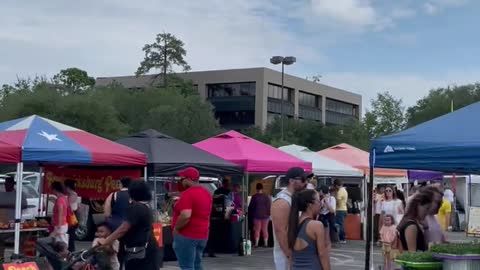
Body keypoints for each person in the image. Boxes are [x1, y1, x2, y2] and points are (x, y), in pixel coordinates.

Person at [97, 180, 160, 270]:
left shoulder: (136, 207)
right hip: (148, 249)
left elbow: (123, 229)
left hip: (138, 252)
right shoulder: (146, 207)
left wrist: (106, 241)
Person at [172, 167, 213, 270]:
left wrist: (176, 228)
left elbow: (186, 215)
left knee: (187, 266)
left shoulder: (188, 194)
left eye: (182, 179)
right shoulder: (206, 193)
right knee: (197, 264)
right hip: (202, 234)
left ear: (188, 179)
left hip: (187, 235)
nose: (181, 181)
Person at [271, 167, 309, 270]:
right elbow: (280, 230)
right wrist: (288, 253)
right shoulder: (282, 201)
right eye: (303, 179)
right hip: (285, 253)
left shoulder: (294, 198)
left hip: (294, 249)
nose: (306, 182)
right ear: (291, 181)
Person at [288, 189, 331, 270]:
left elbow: (290, 257)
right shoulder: (316, 225)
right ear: (310, 204)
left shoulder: (293, 224)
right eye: (318, 201)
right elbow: (322, 254)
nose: (320, 204)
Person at [103, 177, 131, 268]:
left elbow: (107, 213)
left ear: (121, 184)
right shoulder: (133, 196)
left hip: (114, 227)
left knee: (116, 251)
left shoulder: (113, 195)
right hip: (129, 227)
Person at [248, 182, 271, 248]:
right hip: (265, 216)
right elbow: (268, 206)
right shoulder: (266, 196)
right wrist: (268, 213)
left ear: (256, 188)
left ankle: (256, 244)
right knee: (265, 230)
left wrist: (251, 215)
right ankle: (266, 243)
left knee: (257, 230)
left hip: (256, 215)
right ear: (262, 188)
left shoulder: (254, 197)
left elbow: (251, 207)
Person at [64, 179, 78, 252]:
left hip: (71, 216)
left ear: (67, 187)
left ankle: (71, 251)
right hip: (70, 216)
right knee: (69, 235)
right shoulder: (69, 195)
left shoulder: (73, 194)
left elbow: (70, 207)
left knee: (70, 235)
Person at [333, 179, 348, 244]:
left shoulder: (340, 191)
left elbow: (338, 201)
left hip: (340, 210)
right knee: (341, 224)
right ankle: (341, 237)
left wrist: (334, 205)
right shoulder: (344, 190)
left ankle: (342, 238)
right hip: (344, 209)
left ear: (336, 185)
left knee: (340, 224)